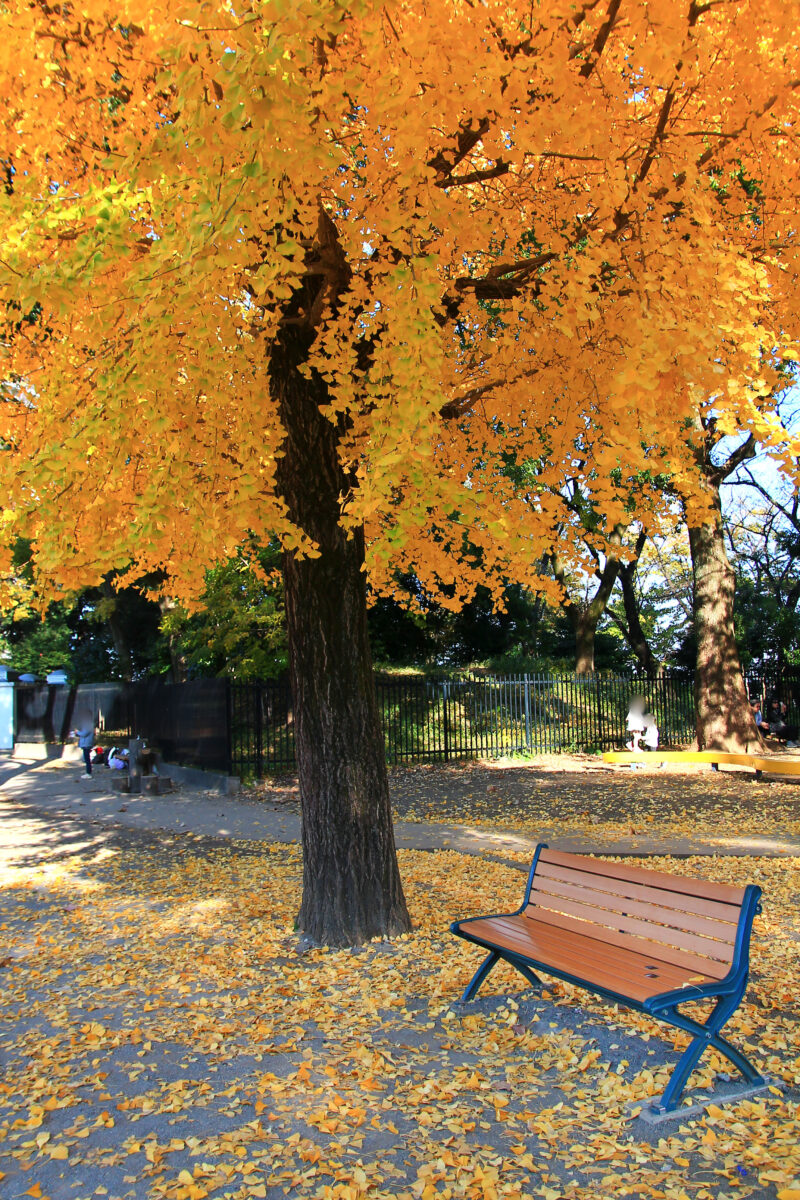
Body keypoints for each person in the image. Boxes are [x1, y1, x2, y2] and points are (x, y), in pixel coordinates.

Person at [71, 713, 96, 779]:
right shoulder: (89, 724)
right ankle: (88, 772)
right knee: (86, 758)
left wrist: (77, 732)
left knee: (87, 759)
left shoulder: (88, 724)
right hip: (87, 743)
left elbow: (84, 734)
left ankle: (88, 773)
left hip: (86, 743)